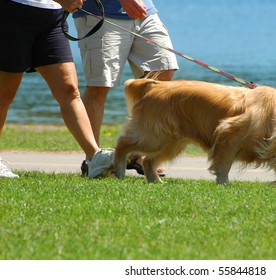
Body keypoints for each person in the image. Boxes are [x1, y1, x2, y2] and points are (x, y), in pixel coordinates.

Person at [0, 0, 113, 179]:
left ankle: (94, 158)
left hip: (52, 18)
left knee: (69, 90)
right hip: (13, 12)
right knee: (3, 96)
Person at [73, 0, 179, 176]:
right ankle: (93, 159)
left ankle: (138, 153)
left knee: (163, 75)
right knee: (99, 85)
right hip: (100, 13)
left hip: (144, 12)